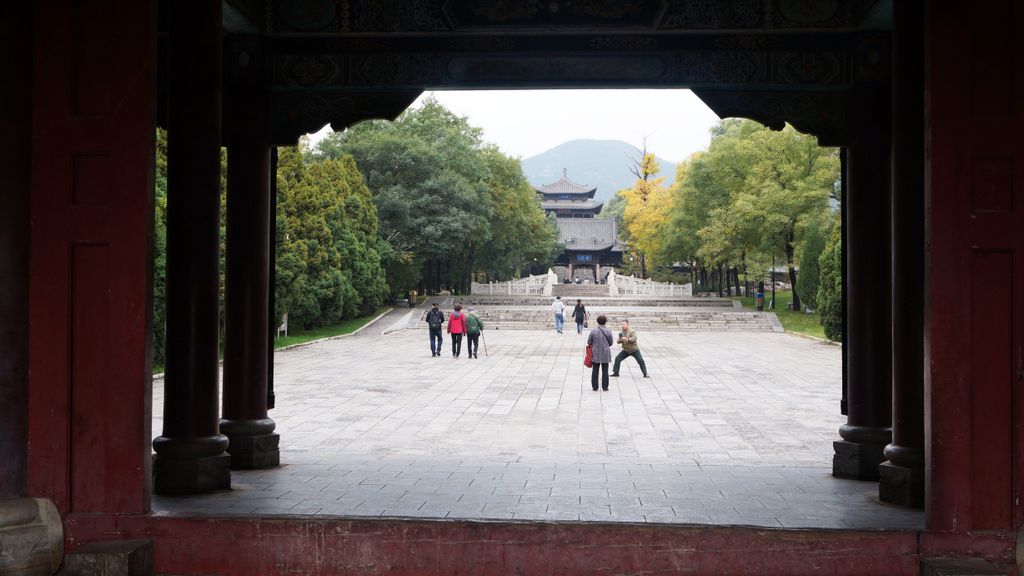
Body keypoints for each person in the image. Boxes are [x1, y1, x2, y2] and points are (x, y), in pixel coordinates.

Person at [587, 315, 614, 391]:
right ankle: (605, 387)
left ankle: (595, 387)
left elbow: (589, 342)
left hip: (595, 352)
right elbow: (611, 342)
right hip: (605, 353)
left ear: (597, 321)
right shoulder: (608, 331)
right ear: (605, 322)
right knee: (605, 370)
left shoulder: (593, 331)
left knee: (595, 370)